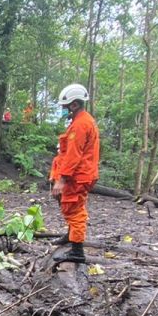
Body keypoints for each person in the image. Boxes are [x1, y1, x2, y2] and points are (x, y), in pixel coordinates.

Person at [49, 83, 100, 264]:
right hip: (79, 174)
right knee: (70, 206)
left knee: (74, 209)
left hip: (77, 176)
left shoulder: (81, 125)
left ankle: (77, 251)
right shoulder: (82, 121)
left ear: (74, 104)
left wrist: (62, 180)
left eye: (65, 107)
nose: (63, 110)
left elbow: (73, 155)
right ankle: (71, 235)